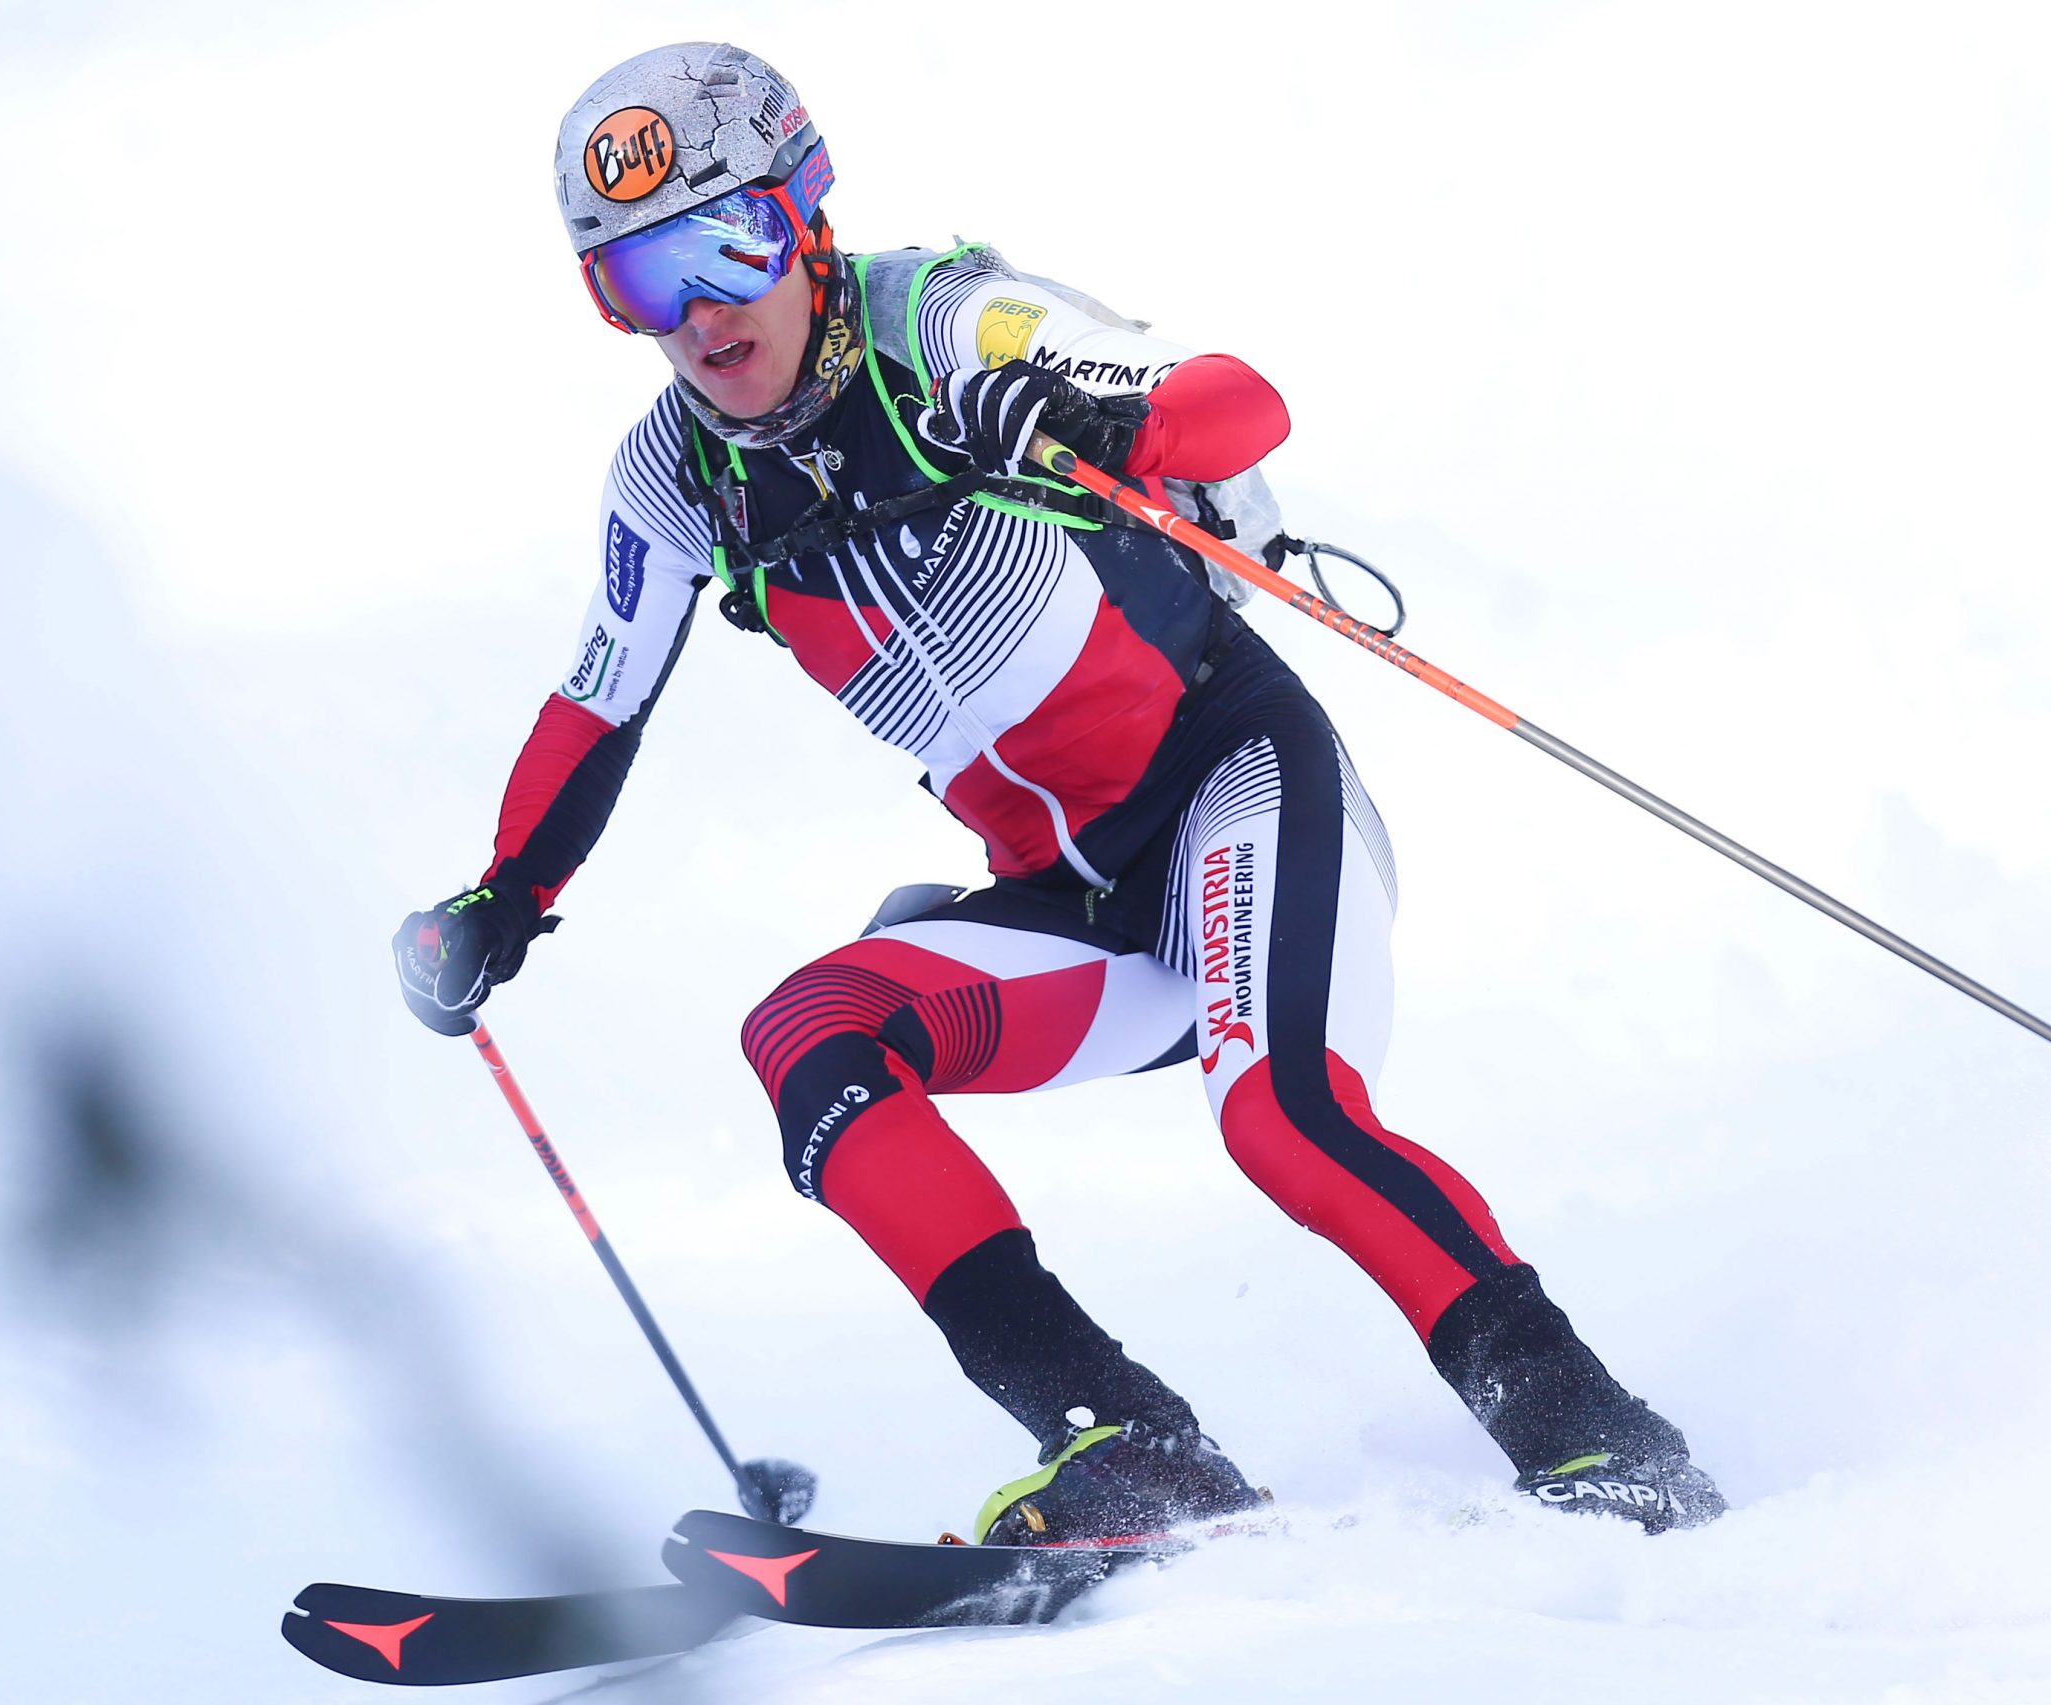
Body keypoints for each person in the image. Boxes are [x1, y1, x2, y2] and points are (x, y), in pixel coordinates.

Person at [395, 42, 1725, 1542]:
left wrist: (1091, 419)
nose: (697, 314)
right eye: (638, 281)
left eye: (727, 244)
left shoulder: (946, 318)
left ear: (808, 215)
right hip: (1081, 899)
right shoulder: (673, 476)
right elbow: (597, 701)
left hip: (1237, 785)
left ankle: (1599, 1435)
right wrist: (500, 901)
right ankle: (1134, 1446)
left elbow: (1232, 404)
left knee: (1278, 1115)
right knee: (810, 1045)